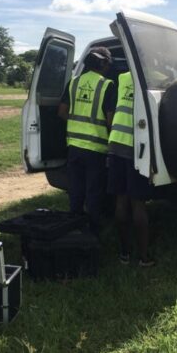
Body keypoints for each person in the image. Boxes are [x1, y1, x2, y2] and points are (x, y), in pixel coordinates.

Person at [58, 47, 116, 235]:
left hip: (74, 146)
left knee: (76, 189)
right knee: (94, 191)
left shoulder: (73, 83)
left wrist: (78, 123)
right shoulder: (107, 85)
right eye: (108, 63)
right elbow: (109, 120)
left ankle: (73, 226)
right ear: (103, 63)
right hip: (96, 148)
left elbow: (62, 112)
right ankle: (92, 231)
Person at [107, 71, 155, 267]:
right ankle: (144, 257)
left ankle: (124, 254)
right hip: (136, 148)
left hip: (116, 142)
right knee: (138, 203)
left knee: (121, 200)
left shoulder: (122, 78)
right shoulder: (153, 78)